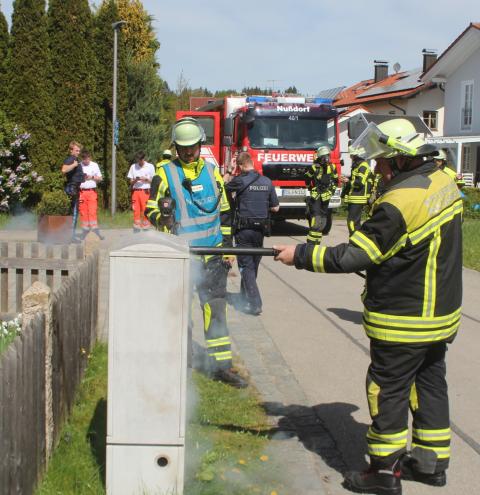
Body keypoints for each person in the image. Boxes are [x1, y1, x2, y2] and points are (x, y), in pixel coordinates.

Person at [274, 118, 462, 494]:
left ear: (402, 160)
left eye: (382, 162)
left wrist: (301, 254)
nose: (376, 169)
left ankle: (382, 473)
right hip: (440, 315)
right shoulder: (444, 181)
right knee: (429, 384)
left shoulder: (400, 201)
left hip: (403, 316)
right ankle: (430, 464)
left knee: (386, 388)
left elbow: (357, 255)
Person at [145, 117, 247, 389]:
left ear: (200, 145)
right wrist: (162, 219)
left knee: (215, 309)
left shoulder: (212, 171)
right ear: (176, 148)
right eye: (183, 148)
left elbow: (225, 211)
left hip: (212, 254)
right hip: (182, 255)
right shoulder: (165, 173)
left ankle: (222, 366)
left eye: (193, 147)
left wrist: (228, 249)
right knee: (179, 311)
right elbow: (150, 208)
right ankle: (182, 361)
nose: (188, 152)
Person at [224, 152, 279, 316]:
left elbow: (223, 186)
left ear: (240, 166)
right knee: (252, 266)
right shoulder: (267, 181)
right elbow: (276, 208)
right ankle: (244, 296)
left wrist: (228, 171)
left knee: (246, 267)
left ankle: (255, 303)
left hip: (244, 231)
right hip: (260, 231)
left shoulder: (240, 180)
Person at [304, 146, 338, 244]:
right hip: (316, 196)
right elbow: (306, 179)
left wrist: (331, 191)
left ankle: (317, 242)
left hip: (326, 196)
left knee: (323, 220)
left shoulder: (332, 167)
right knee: (316, 219)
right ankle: (310, 243)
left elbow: (335, 181)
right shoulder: (314, 167)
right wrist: (310, 188)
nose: (326, 159)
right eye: (324, 157)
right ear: (320, 157)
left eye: (327, 156)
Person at [343, 147, 373, 235]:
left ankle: (355, 243)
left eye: (352, 155)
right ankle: (354, 243)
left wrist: (348, 181)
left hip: (358, 197)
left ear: (357, 156)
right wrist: (347, 179)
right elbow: (355, 179)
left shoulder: (363, 166)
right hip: (354, 197)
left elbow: (360, 183)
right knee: (353, 223)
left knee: (352, 223)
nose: (350, 157)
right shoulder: (357, 165)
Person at [61, 141, 84, 242]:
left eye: (79, 150)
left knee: (73, 213)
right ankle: (70, 237)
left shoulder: (75, 159)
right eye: (76, 150)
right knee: (73, 213)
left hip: (75, 188)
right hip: (71, 188)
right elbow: (63, 170)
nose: (78, 152)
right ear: (71, 150)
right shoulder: (71, 159)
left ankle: (70, 235)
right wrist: (74, 165)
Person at [78, 150, 104, 240]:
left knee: (92, 211)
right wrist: (82, 177)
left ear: (90, 157)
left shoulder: (94, 165)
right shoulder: (79, 165)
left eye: (87, 159)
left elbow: (100, 178)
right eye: (84, 159)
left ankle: (95, 231)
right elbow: (75, 178)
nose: (86, 161)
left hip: (92, 192)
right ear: (82, 159)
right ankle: (84, 231)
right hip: (81, 192)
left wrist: (92, 177)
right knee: (83, 212)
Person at [127, 151, 155, 232]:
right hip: (136, 191)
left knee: (145, 209)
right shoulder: (133, 167)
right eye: (137, 160)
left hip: (146, 191)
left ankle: (146, 226)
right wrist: (136, 180)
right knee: (136, 209)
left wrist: (145, 179)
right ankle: (136, 227)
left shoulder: (150, 166)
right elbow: (130, 182)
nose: (138, 162)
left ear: (143, 159)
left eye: (140, 160)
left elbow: (153, 180)